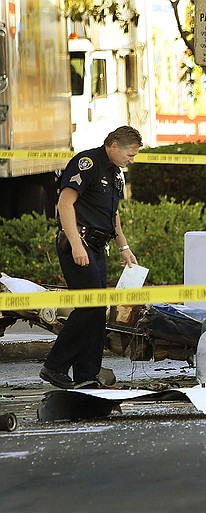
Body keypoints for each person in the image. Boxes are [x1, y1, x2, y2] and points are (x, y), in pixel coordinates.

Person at [39, 126, 142, 389]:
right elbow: (65, 203)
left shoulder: (115, 173)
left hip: (97, 246)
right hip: (79, 243)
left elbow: (112, 215)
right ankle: (54, 366)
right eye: (130, 154)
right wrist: (76, 245)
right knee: (90, 307)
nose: (132, 159)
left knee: (97, 312)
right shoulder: (88, 163)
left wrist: (123, 247)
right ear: (114, 145)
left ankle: (86, 374)